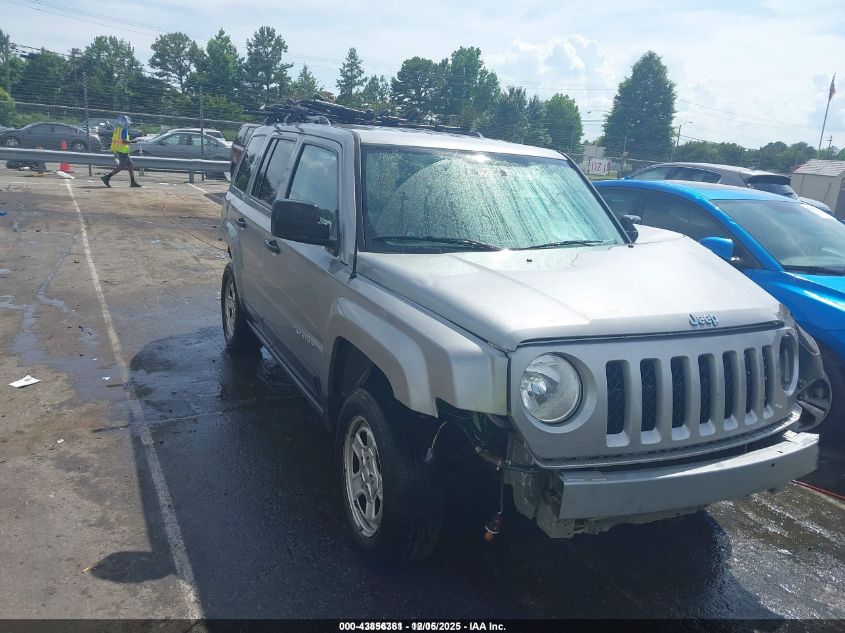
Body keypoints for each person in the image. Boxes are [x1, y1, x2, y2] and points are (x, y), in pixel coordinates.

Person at [101, 114, 140, 188]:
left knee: (130, 165)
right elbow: (124, 141)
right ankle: (106, 177)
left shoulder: (118, 129)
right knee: (121, 167)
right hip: (122, 151)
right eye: (128, 123)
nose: (129, 125)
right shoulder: (124, 130)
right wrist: (133, 141)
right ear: (125, 123)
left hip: (121, 150)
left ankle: (133, 182)